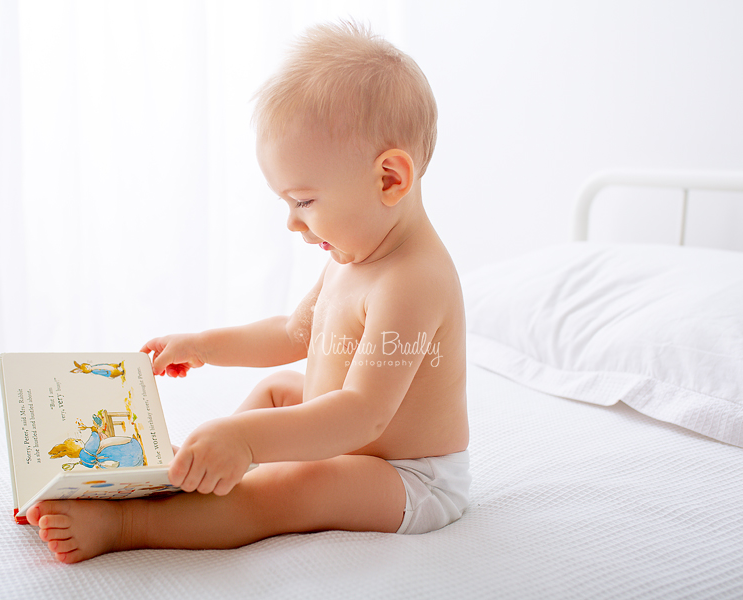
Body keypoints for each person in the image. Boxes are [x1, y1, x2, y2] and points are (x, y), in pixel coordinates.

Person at [27, 20, 470, 563]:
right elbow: (292, 334)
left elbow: (362, 414)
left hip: (407, 476)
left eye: (304, 201)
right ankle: (186, 474)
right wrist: (203, 346)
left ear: (388, 180)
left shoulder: (412, 280)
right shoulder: (354, 255)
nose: (292, 222)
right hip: (351, 443)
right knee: (281, 389)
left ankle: (128, 522)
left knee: (295, 489)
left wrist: (248, 442)